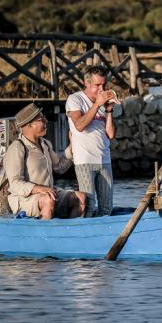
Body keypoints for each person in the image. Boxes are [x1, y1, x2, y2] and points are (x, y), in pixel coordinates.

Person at [3, 103, 86, 219]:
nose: (46, 121)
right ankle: (45, 236)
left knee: (80, 198)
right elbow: (15, 184)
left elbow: (60, 167)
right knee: (48, 200)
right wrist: (40, 189)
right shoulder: (17, 148)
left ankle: (70, 232)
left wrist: (72, 147)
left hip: (48, 193)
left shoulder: (45, 144)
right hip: (24, 199)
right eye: (41, 119)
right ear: (29, 125)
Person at [65, 65, 117, 217]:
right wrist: (97, 104)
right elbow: (80, 125)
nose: (101, 89)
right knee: (88, 205)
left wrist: (108, 110)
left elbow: (111, 134)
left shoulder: (102, 104)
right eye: (97, 85)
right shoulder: (75, 99)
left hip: (104, 159)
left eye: (103, 85)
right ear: (86, 83)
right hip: (84, 160)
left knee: (107, 207)